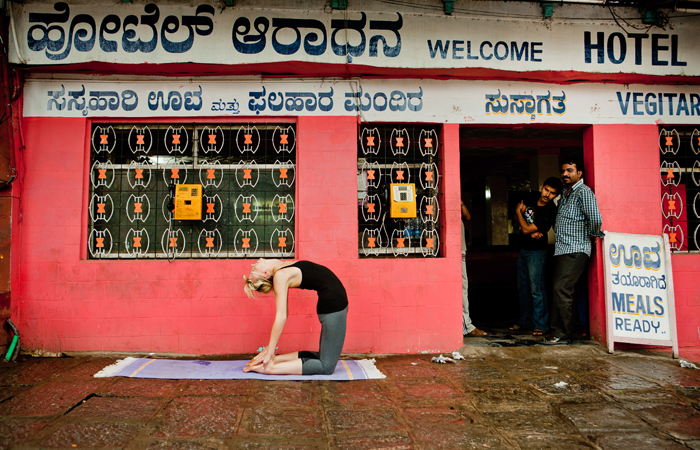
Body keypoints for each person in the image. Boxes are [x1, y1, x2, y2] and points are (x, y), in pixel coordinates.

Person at [243, 259, 348, 375]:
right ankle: (271, 368)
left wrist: (270, 351)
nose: (253, 264)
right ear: (265, 274)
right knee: (326, 366)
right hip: (334, 304)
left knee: (323, 356)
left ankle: (276, 359)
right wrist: (270, 349)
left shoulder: (280, 266)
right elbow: (282, 315)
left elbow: (284, 313)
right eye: (254, 269)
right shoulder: (280, 275)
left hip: (333, 301)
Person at [544, 160, 604, 345]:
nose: (565, 174)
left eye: (570, 171)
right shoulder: (564, 193)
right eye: (563, 171)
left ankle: (562, 334)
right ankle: (559, 331)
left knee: (562, 288)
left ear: (579, 173)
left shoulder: (583, 192)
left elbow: (595, 218)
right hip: (561, 249)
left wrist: (592, 237)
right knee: (559, 289)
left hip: (576, 249)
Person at [510, 177, 562, 337]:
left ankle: (541, 325)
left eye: (553, 193)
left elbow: (525, 228)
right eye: (546, 190)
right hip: (524, 249)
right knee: (523, 288)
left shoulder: (550, 211)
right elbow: (515, 218)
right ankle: (525, 321)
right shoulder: (532, 196)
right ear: (542, 187)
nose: (547, 195)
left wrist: (522, 217)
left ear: (556, 195)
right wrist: (524, 223)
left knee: (536, 289)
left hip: (537, 252)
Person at [461, 200, 487, 336]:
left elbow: (468, 216)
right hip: (450, 251)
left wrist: (459, 202)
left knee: (462, 288)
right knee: (461, 288)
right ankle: (467, 326)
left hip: (460, 251)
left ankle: (467, 325)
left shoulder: (458, 204)